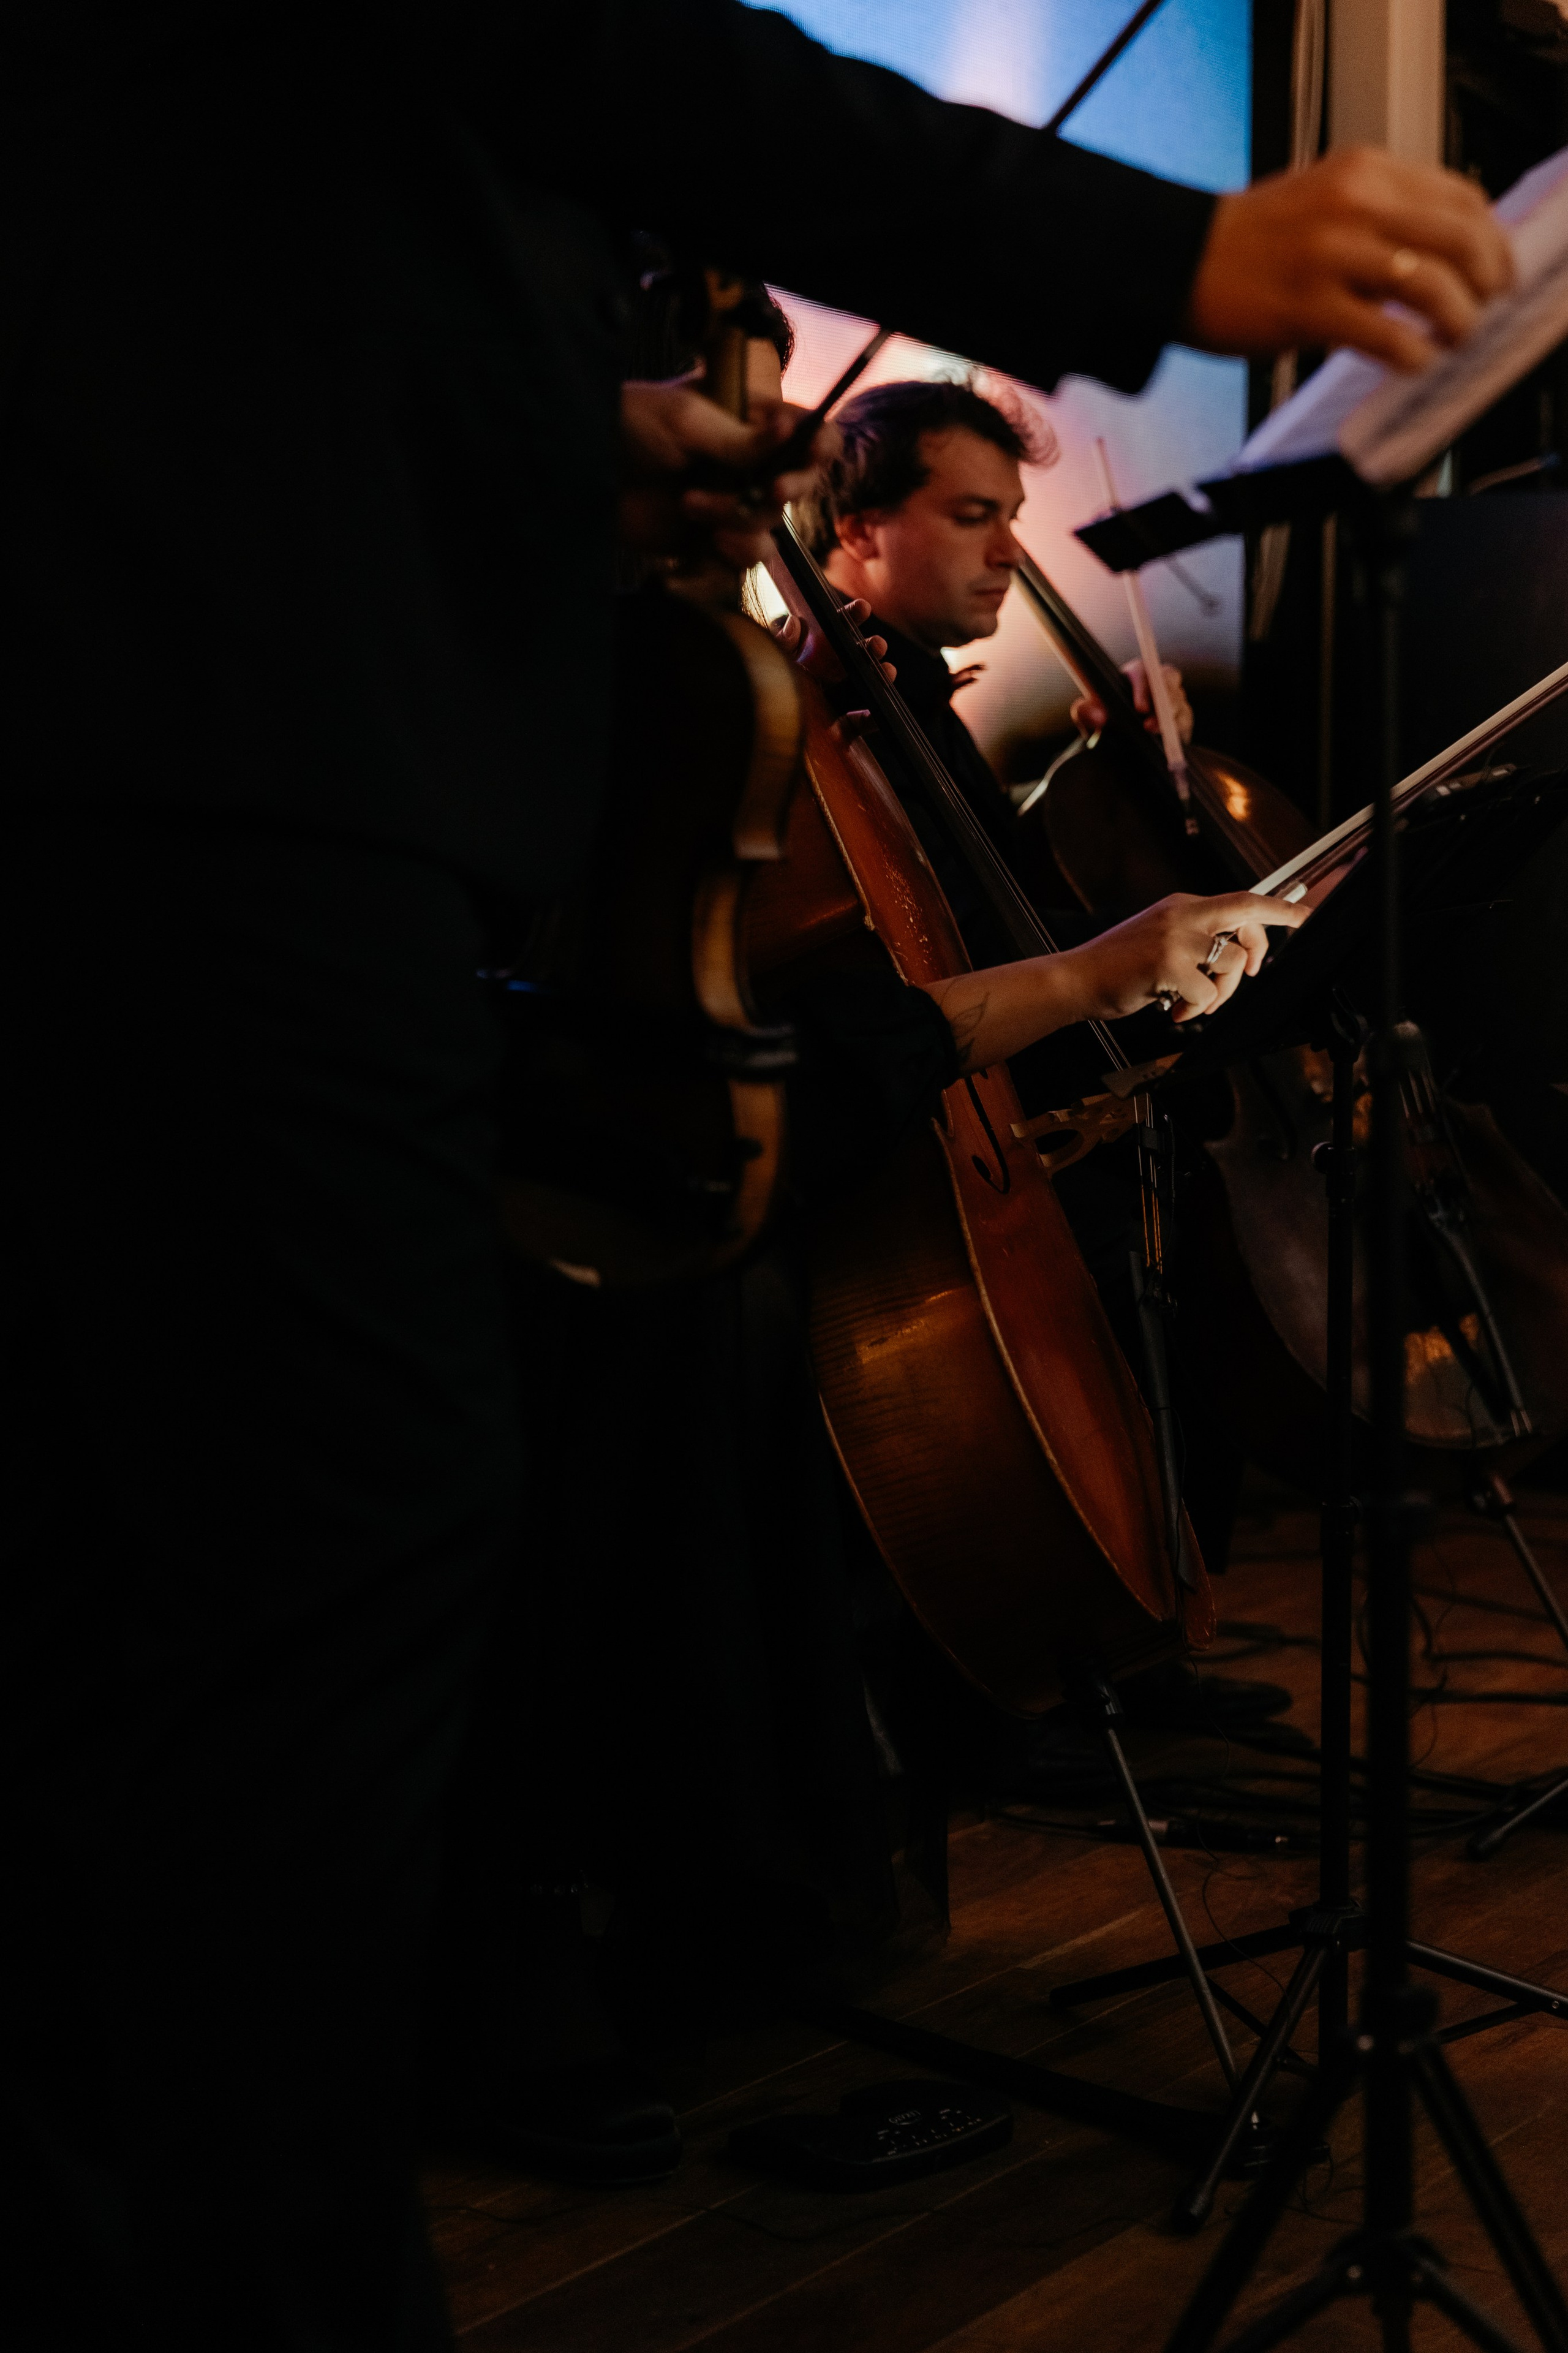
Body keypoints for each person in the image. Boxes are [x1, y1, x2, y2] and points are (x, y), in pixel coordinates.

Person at [3, 2, 1517, 2341]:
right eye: (970, 516)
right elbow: (608, 64)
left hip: (238, 765)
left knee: (250, 1613)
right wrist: (1180, 252)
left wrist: (558, 445)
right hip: (245, 786)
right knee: (309, 1610)